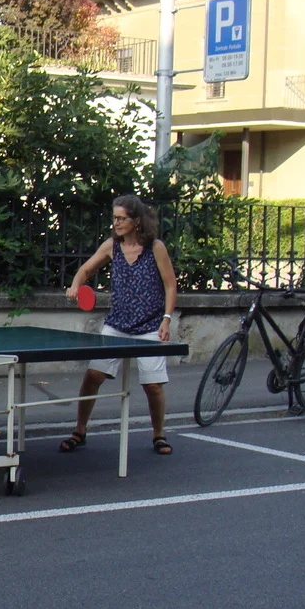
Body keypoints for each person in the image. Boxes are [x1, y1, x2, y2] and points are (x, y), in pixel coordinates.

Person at [60, 194, 178, 456]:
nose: (116, 223)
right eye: (114, 218)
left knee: (152, 385)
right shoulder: (111, 246)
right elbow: (86, 269)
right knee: (93, 376)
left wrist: (166, 319)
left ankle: (158, 435)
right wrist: (76, 284)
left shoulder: (155, 247)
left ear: (136, 221)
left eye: (121, 218)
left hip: (150, 326)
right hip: (117, 324)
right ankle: (79, 431)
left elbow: (170, 285)